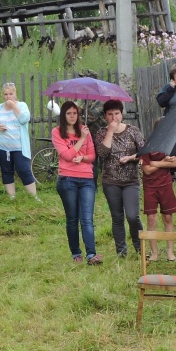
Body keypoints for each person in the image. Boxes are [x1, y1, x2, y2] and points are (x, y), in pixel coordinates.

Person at [51, 101, 100, 264]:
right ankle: (75, 253)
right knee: (72, 218)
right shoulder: (57, 132)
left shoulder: (85, 131)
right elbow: (66, 155)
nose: (72, 116)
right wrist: (81, 140)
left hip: (86, 178)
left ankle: (91, 254)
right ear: (63, 115)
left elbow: (92, 155)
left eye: (75, 113)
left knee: (87, 218)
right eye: (69, 113)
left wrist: (83, 157)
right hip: (67, 179)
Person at [95, 100, 144, 259]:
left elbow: (144, 153)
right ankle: (121, 252)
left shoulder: (133, 131)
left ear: (121, 114)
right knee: (117, 217)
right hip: (111, 182)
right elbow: (102, 154)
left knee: (132, 216)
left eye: (116, 113)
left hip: (131, 181)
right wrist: (110, 132)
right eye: (110, 114)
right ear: (105, 116)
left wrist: (130, 158)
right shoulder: (101, 133)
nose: (114, 117)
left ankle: (140, 248)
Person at [0, 82, 38, 200]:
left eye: (11, 94)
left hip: (19, 147)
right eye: (5, 94)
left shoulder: (22, 106)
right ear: (2, 95)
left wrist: (14, 107)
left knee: (24, 170)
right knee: (6, 171)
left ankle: (34, 197)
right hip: (3, 147)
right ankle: (12, 197)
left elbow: (25, 119)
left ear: (15, 94)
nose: (8, 96)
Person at [141, 149, 176, 261]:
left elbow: (174, 163)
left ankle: (170, 253)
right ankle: (154, 254)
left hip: (166, 184)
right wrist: (164, 161)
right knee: (151, 218)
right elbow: (147, 170)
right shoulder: (147, 145)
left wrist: (154, 163)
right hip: (150, 186)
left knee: (168, 217)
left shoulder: (171, 144)